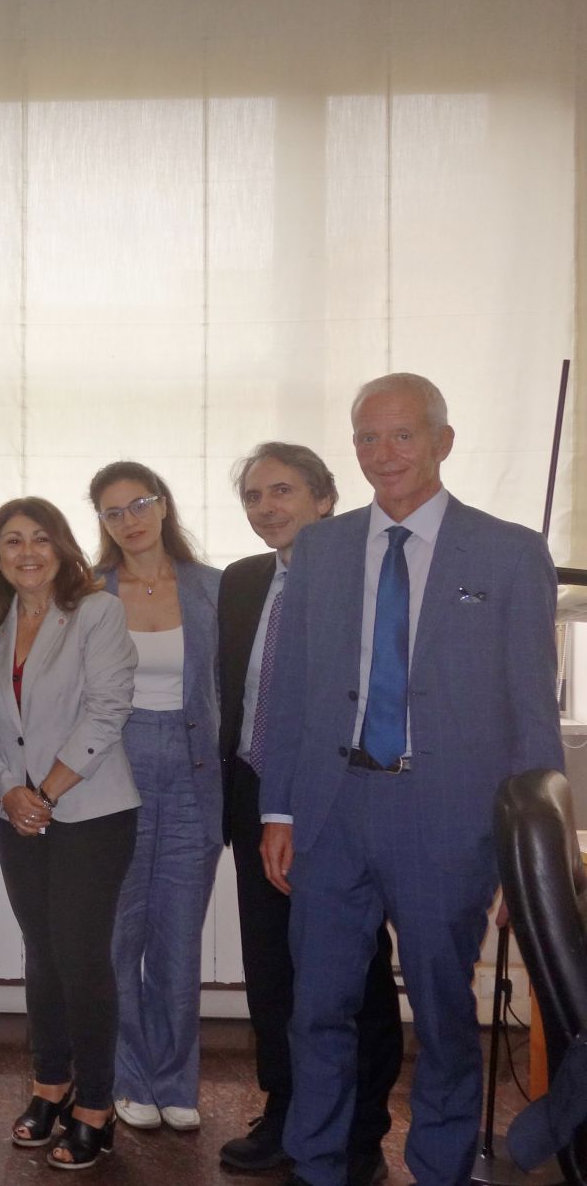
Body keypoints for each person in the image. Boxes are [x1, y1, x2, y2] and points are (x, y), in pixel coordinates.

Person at [260, 373, 562, 1186]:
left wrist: (528, 855)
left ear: (442, 441)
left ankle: (440, 1166)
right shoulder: (320, 548)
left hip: (446, 819)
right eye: (367, 436)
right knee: (318, 1006)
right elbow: (290, 690)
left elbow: (533, 712)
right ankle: (319, 1164)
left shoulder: (508, 552)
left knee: (442, 1011)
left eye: (401, 434)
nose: (382, 453)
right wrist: (278, 809)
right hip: (331, 810)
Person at [215, 443, 402, 1182]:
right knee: (270, 969)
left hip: (335, 802)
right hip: (254, 792)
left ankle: (361, 1132)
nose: (267, 508)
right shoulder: (241, 581)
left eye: (283, 490)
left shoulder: (367, 577)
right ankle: (288, 1112)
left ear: (325, 498)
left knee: (355, 974)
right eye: (253, 496)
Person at [0, 497, 140, 1172]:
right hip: (16, 812)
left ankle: (96, 1107)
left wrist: (44, 791)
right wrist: (7, 791)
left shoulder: (97, 611)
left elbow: (107, 710)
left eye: (40, 538)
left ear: (63, 547)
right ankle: (50, 1083)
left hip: (90, 811)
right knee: (41, 953)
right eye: (12, 541)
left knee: (81, 956)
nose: (27, 552)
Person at [85, 462, 223, 1133]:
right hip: (115, 771)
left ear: (163, 504)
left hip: (195, 775)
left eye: (139, 503)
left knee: (178, 937)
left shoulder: (213, 589)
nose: (129, 519)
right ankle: (129, 1076)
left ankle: (175, 1079)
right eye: (113, 512)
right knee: (118, 935)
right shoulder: (90, 592)